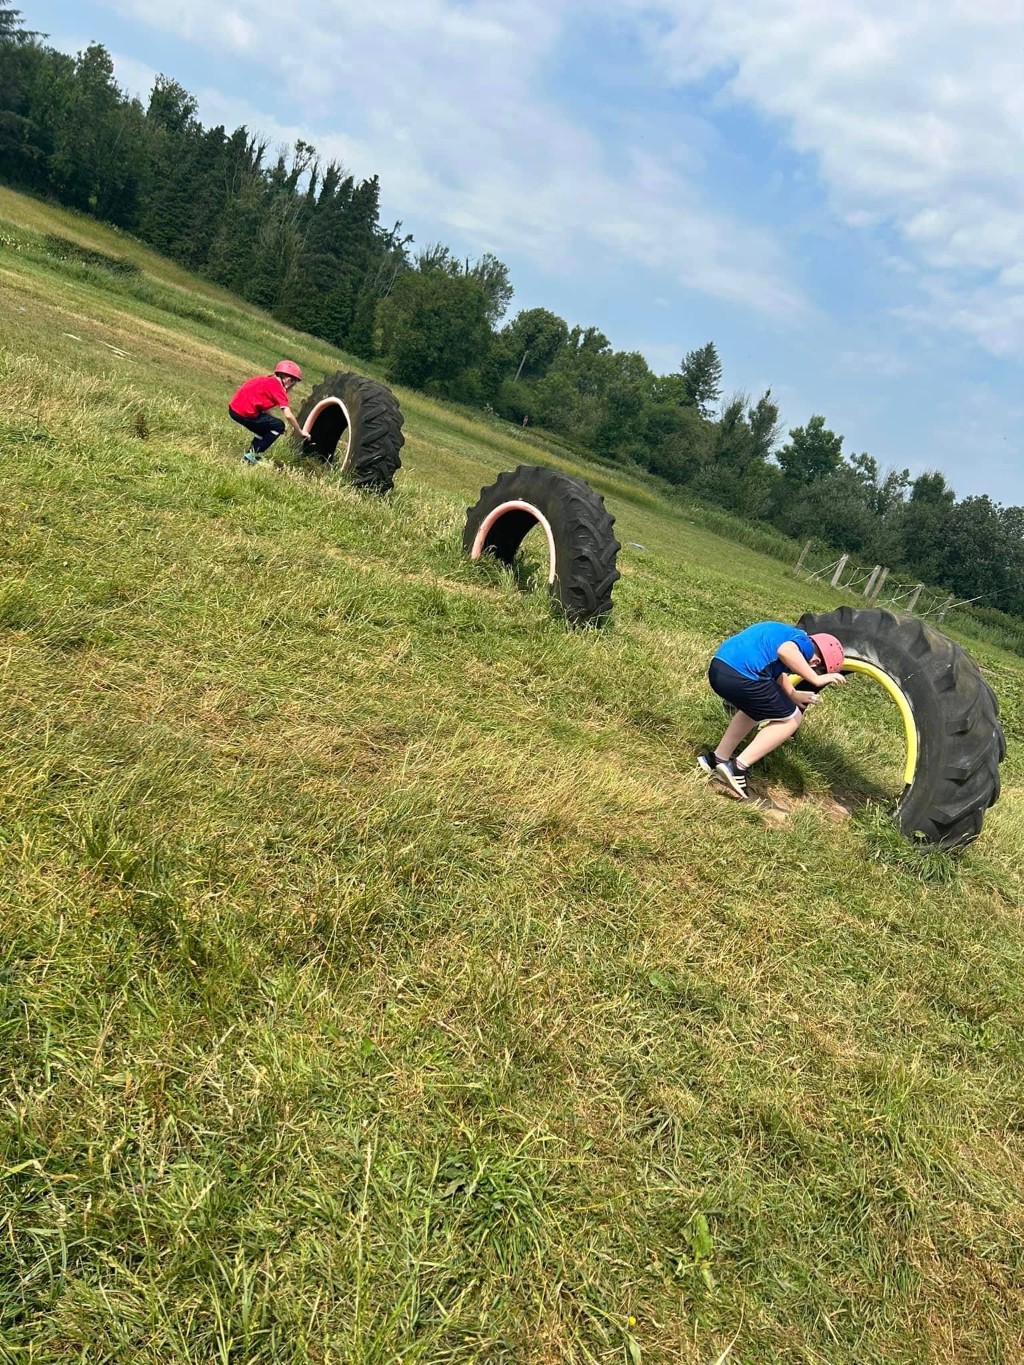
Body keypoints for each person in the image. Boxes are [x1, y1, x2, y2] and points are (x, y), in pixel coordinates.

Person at [697, 621, 847, 799]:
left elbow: (775, 670)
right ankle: (737, 768)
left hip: (719, 668)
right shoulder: (805, 645)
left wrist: (793, 694)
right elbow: (786, 652)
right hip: (743, 675)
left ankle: (716, 759)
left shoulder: (787, 633)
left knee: (754, 710)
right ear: (815, 662)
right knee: (793, 718)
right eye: (817, 669)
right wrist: (816, 679)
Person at [228, 360, 305, 464]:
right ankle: (252, 455)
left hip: (233, 409)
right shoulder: (278, 388)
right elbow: (288, 415)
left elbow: (262, 407)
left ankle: (251, 454)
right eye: (293, 384)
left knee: (267, 427)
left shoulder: (265, 380)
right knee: (279, 426)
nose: (292, 388)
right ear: (289, 380)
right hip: (244, 413)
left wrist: (271, 420)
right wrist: (300, 431)